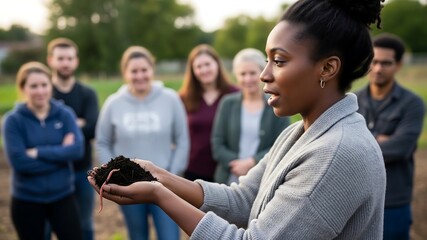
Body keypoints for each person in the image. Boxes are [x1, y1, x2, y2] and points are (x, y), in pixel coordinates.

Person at [88, 0, 387, 239]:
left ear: (327, 68)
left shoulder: (336, 153)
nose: (263, 74)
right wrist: (159, 176)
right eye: (266, 60)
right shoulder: (298, 133)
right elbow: (243, 200)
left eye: (279, 61)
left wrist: (158, 194)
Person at [95, 46, 189, 240]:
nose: (140, 76)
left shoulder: (170, 99)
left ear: (152, 70)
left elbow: (182, 140)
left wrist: (171, 175)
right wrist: (112, 175)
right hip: (129, 187)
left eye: (144, 70)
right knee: (137, 236)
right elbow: (102, 141)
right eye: (134, 71)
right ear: (125, 73)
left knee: (169, 236)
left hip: (164, 185)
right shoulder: (114, 103)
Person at [2, 61, 84, 240]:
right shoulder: (13, 121)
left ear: (50, 86)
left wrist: (38, 153)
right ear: (23, 88)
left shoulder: (65, 114)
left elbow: (77, 150)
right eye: (33, 86)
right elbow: (20, 163)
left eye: (44, 85)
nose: (40, 91)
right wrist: (62, 153)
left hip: (63, 197)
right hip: (27, 201)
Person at [355, 33, 425, 240]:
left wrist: (360, 144)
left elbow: (401, 148)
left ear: (399, 65)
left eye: (386, 63)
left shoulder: (412, 104)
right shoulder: (352, 101)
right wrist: (379, 140)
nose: (378, 68)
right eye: (374, 61)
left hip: (393, 201)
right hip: (356, 199)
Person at [46, 37, 99, 240]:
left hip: (82, 171)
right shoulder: (43, 92)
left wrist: (57, 129)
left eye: (69, 58)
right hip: (49, 171)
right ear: (51, 60)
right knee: (47, 226)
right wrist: (77, 124)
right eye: (60, 58)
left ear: (76, 61)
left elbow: (93, 128)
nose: (65, 63)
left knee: (84, 224)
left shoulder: (87, 94)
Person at [211, 48, 290, 184]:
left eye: (253, 73)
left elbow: (284, 143)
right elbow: (217, 143)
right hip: (228, 179)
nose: (248, 79)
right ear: (236, 76)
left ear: (262, 72)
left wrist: (253, 162)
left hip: (263, 179)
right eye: (242, 74)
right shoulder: (227, 103)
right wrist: (236, 164)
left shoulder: (277, 104)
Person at [179, 44, 239, 182]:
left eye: (207, 64)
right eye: (199, 67)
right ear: (193, 71)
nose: (204, 70)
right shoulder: (184, 98)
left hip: (227, 169)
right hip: (193, 169)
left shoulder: (235, 95)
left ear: (217, 64)